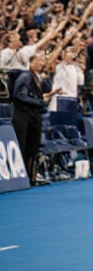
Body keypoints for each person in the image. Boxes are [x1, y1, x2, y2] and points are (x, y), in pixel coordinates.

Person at [11, 53, 49, 185]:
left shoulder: (36, 78)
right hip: (23, 116)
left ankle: (31, 175)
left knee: (33, 147)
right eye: (38, 60)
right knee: (24, 145)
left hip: (33, 116)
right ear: (31, 62)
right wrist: (39, 102)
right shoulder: (26, 76)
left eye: (43, 61)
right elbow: (19, 95)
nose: (41, 63)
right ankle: (22, 176)